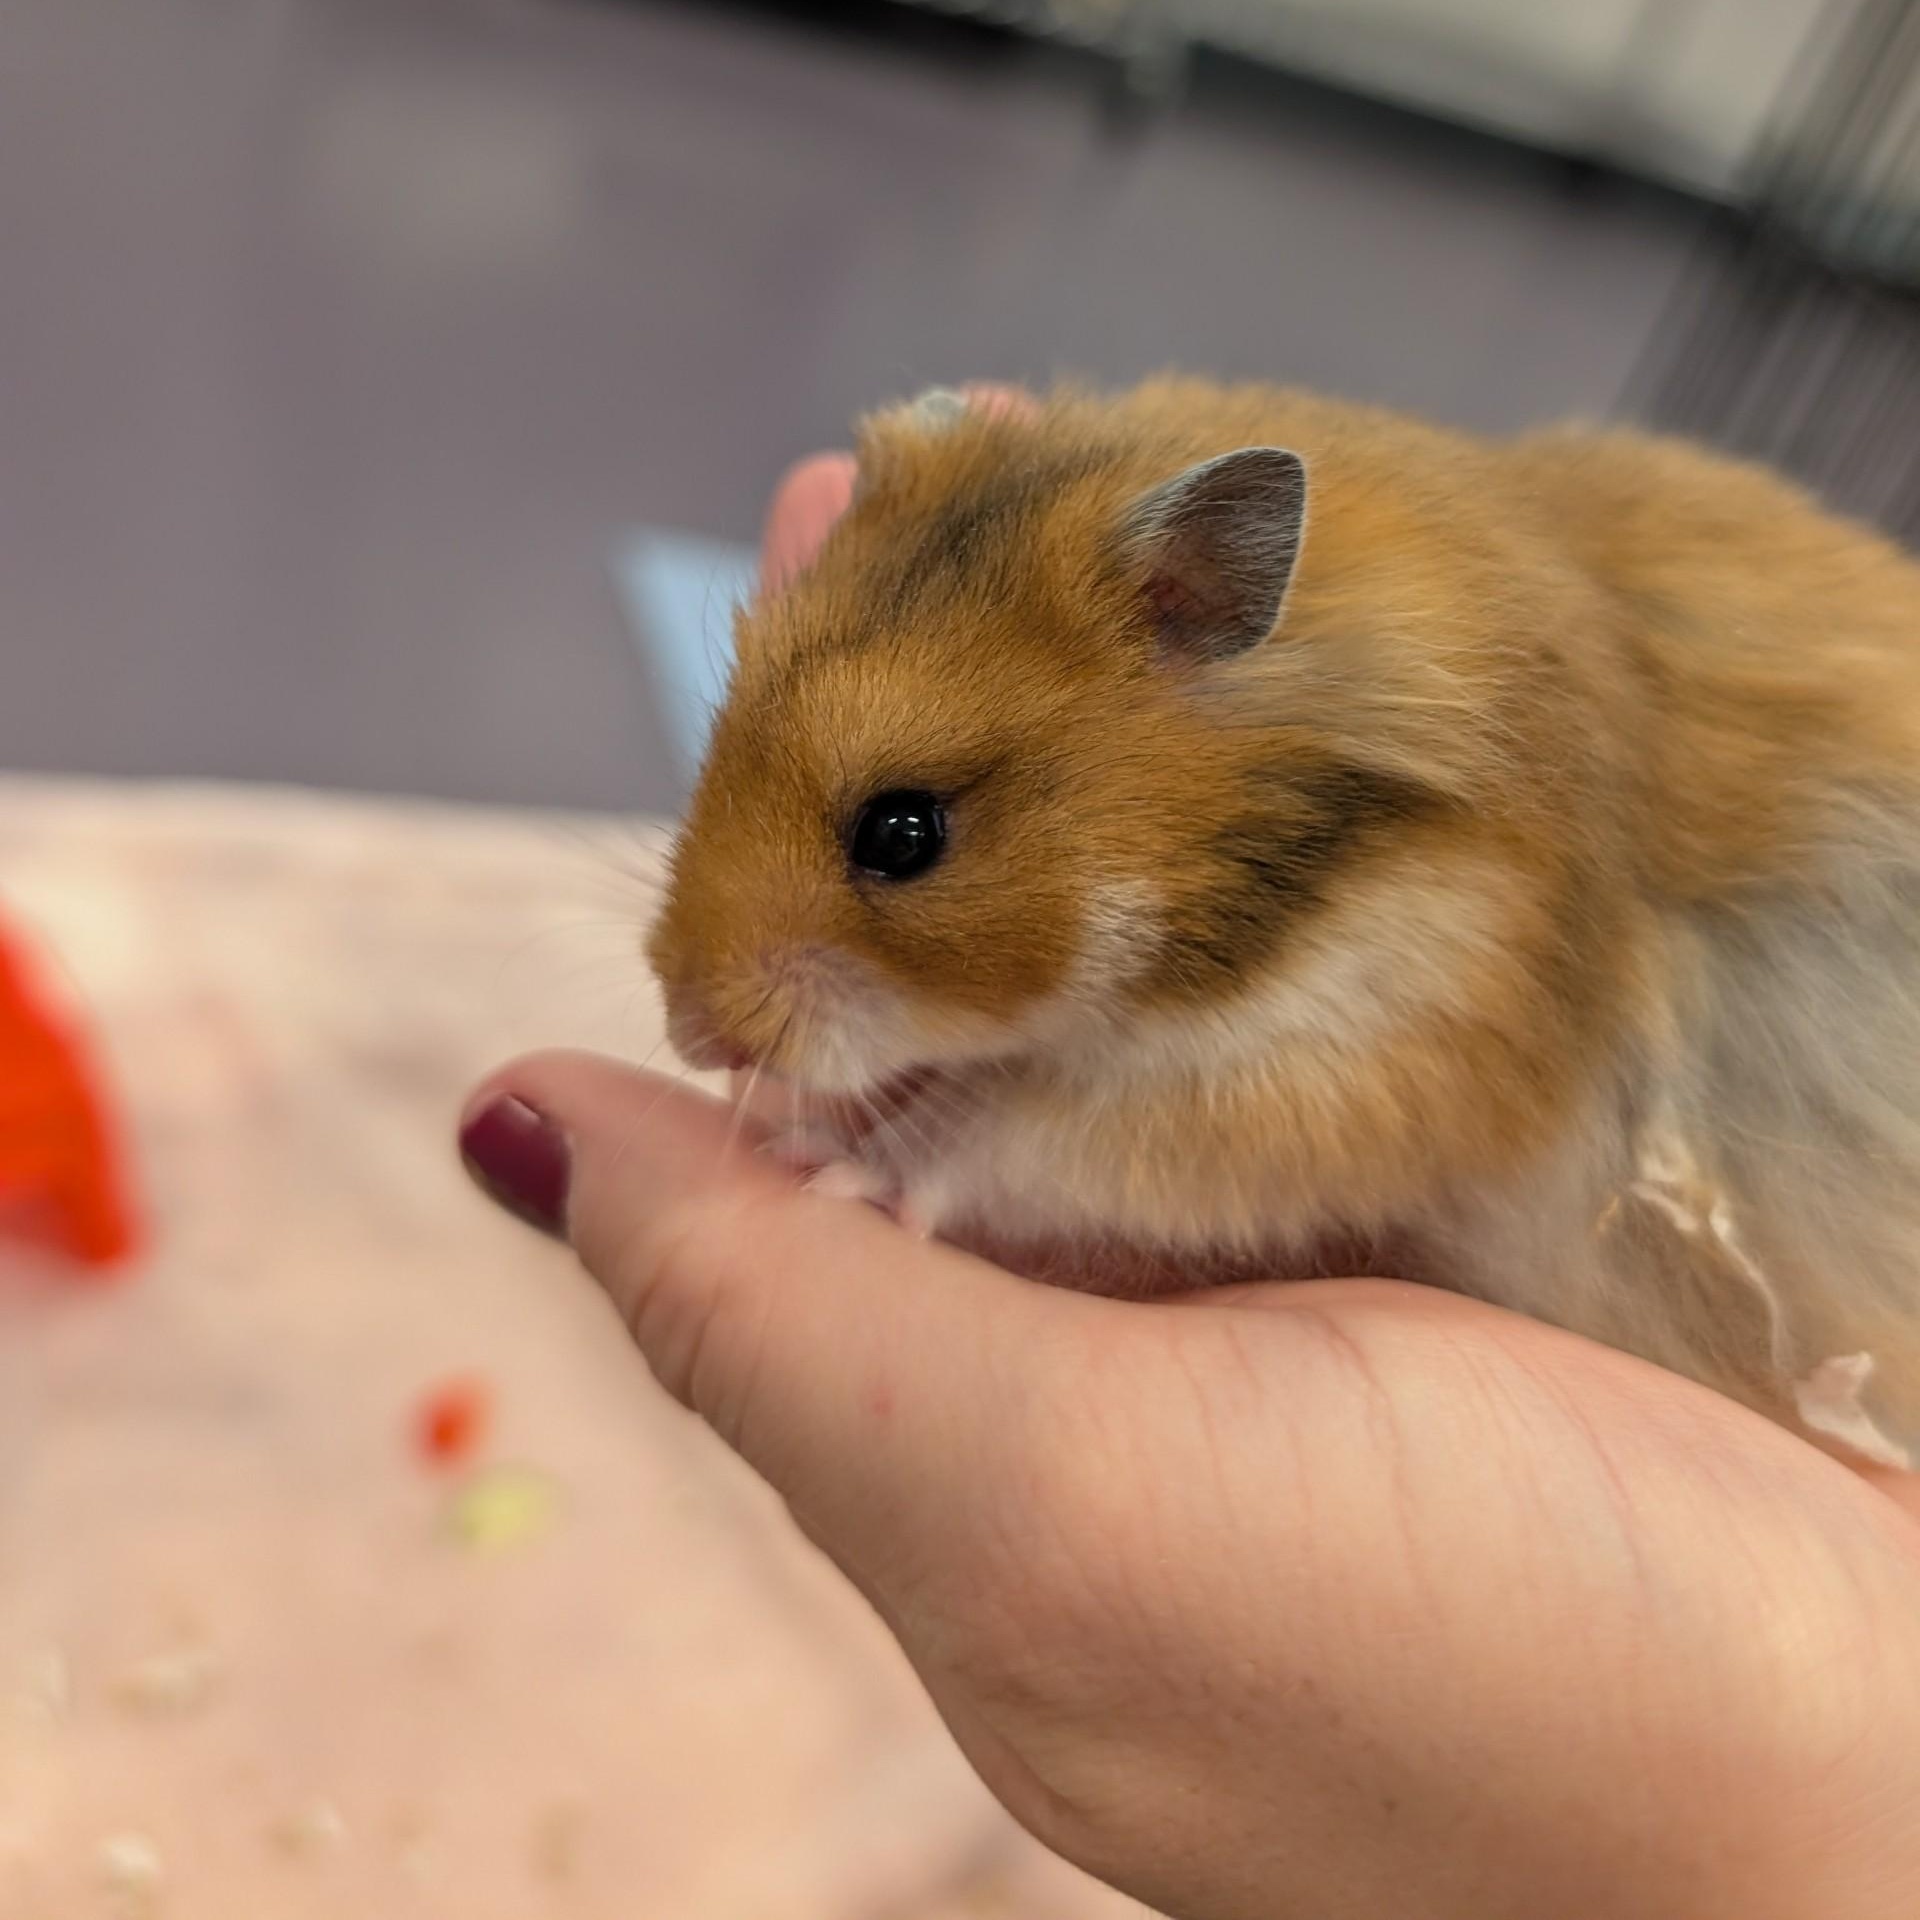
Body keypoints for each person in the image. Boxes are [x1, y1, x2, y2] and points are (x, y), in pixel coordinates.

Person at [458, 409, 1920, 1919]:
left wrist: (1001, 1158)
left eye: (897, 837)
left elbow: (1397, 1107)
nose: (702, 1011)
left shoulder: (1429, 865)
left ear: (1198, 616)